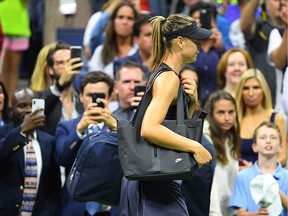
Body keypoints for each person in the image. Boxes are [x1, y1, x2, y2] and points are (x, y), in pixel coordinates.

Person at [118, 13, 213, 215]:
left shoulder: (164, 73)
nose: (200, 46)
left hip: (149, 177)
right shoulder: (169, 77)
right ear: (179, 41)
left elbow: (171, 125)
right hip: (152, 181)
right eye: (196, 40)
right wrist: (194, 145)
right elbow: (149, 128)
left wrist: (191, 102)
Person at [55, 71, 117, 216]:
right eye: (90, 95)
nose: (94, 101)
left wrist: (116, 127)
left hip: (111, 207)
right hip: (75, 207)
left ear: (109, 97)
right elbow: (60, 158)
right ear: (81, 96)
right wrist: (79, 131)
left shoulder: (120, 127)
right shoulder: (67, 127)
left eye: (101, 96)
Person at [0, 87, 61, 215]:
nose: (29, 110)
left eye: (33, 105)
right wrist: (21, 130)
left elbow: (53, 186)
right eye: (22, 106)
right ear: (11, 111)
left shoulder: (49, 141)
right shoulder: (3, 134)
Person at [230, 122, 288, 215]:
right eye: (263, 137)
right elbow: (240, 213)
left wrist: (275, 191)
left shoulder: (286, 176)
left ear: (281, 147)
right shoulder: (243, 176)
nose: (268, 141)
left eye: (273, 137)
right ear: (254, 147)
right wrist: (257, 214)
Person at [235, 68, 287, 167]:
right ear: (240, 92)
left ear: (263, 90)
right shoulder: (235, 119)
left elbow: (282, 158)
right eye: (246, 88)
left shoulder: (276, 118)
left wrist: (255, 171)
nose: (251, 93)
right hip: (240, 178)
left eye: (256, 87)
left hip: (271, 179)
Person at [240, 0, 286, 106]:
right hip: (259, 99)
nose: (281, 3)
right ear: (265, 4)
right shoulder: (258, 26)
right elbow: (245, 26)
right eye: (275, 0)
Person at [203, 90, 241, 215]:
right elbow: (211, 185)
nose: (227, 118)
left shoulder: (231, 137)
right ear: (211, 114)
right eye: (221, 112)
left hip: (230, 210)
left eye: (231, 112)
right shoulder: (204, 138)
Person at [38, 41, 84, 136]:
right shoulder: (41, 97)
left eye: (69, 61)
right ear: (50, 69)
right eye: (60, 63)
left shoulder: (83, 98)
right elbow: (36, 114)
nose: (66, 67)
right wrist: (59, 85)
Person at [88, 1, 138, 78]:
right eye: (120, 17)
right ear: (113, 21)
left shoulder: (140, 51)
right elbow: (93, 80)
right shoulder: (101, 51)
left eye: (130, 18)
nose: (124, 22)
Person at [189, 1, 225, 105]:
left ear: (214, 22)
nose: (202, 23)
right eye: (197, 19)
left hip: (217, 105)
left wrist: (220, 47)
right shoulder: (185, 48)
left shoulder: (220, 50)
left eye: (206, 18)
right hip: (192, 105)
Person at [0, 0, 31, 102]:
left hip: (17, 27)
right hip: (2, 25)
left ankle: (8, 104)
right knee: (3, 69)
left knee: (12, 69)